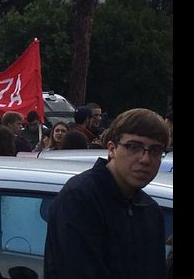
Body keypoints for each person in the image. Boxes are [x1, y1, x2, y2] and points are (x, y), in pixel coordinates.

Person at [44, 108, 170, 279]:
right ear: (112, 149)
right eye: (134, 147)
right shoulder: (80, 197)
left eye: (155, 150)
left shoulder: (150, 210)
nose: (145, 159)